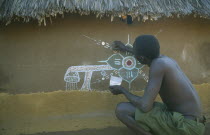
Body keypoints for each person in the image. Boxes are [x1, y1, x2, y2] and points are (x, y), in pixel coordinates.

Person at [109, 35, 206, 135]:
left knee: (122, 110)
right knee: (154, 108)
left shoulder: (157, 66)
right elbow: (144, 55)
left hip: (186, 127)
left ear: (141, 57)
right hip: (195, 123)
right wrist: (125, 48)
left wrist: (122, 90)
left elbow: (145, 106)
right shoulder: (165, 60)